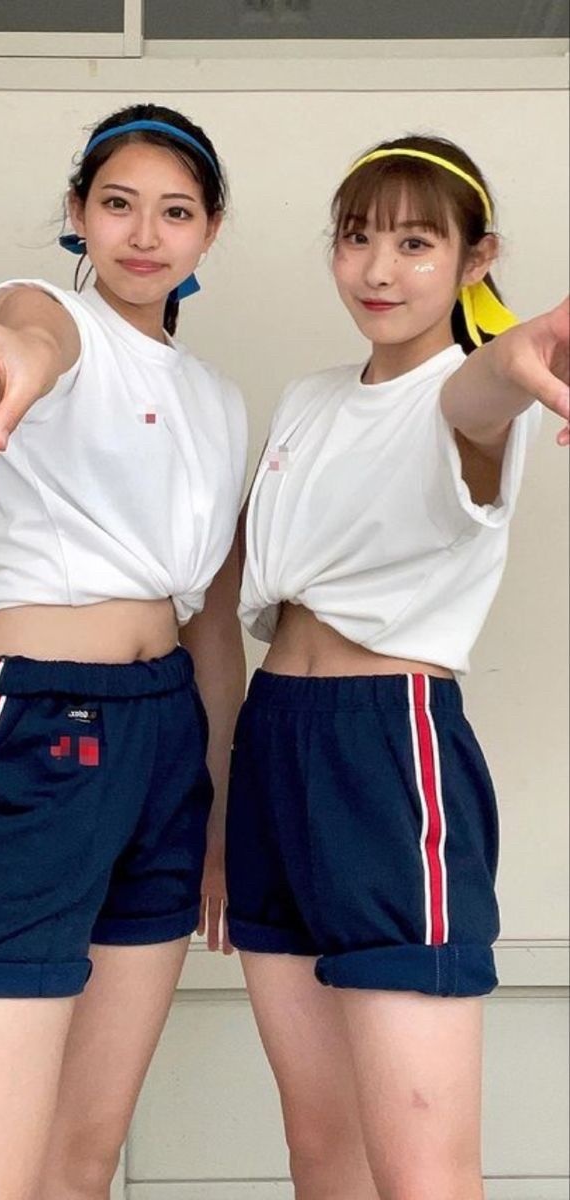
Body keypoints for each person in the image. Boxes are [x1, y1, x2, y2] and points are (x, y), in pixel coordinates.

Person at [0, 102, 247, 1200]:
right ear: (78, 214)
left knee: (78, 1163)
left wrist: (220, 813)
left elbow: (213, 622)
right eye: (118, 204)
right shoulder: (52, 315)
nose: (145, 234)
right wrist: (7, 356)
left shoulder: (219, 401)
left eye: (175, 212)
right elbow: (27, 338)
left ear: (210, 230)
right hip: (41, 728)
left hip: (168, 744)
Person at [226, 134, 569, 1200]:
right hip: (272, 742)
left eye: (417, 243)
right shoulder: (308, 398)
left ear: (477, 257)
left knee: (421, 1171)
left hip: (387, 749)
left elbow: (480, 391)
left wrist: (521, 353)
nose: (378, 270)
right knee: (320, 1151)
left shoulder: (468, 392)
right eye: (356, 239)